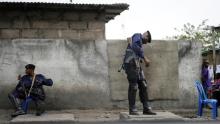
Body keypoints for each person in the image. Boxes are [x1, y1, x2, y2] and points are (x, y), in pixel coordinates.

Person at [122, 31, 156, 115]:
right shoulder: (137, 36)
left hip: (136, 64)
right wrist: (145, 58)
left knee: (143, 85)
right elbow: (134, 46)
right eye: (146, 41)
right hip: (130, 64)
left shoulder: (139, 41)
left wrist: (141, 58)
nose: (145, 43)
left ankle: (146, 108)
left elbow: (136, 49)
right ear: (146, 35)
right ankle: (132, 109)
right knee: (133, 86)